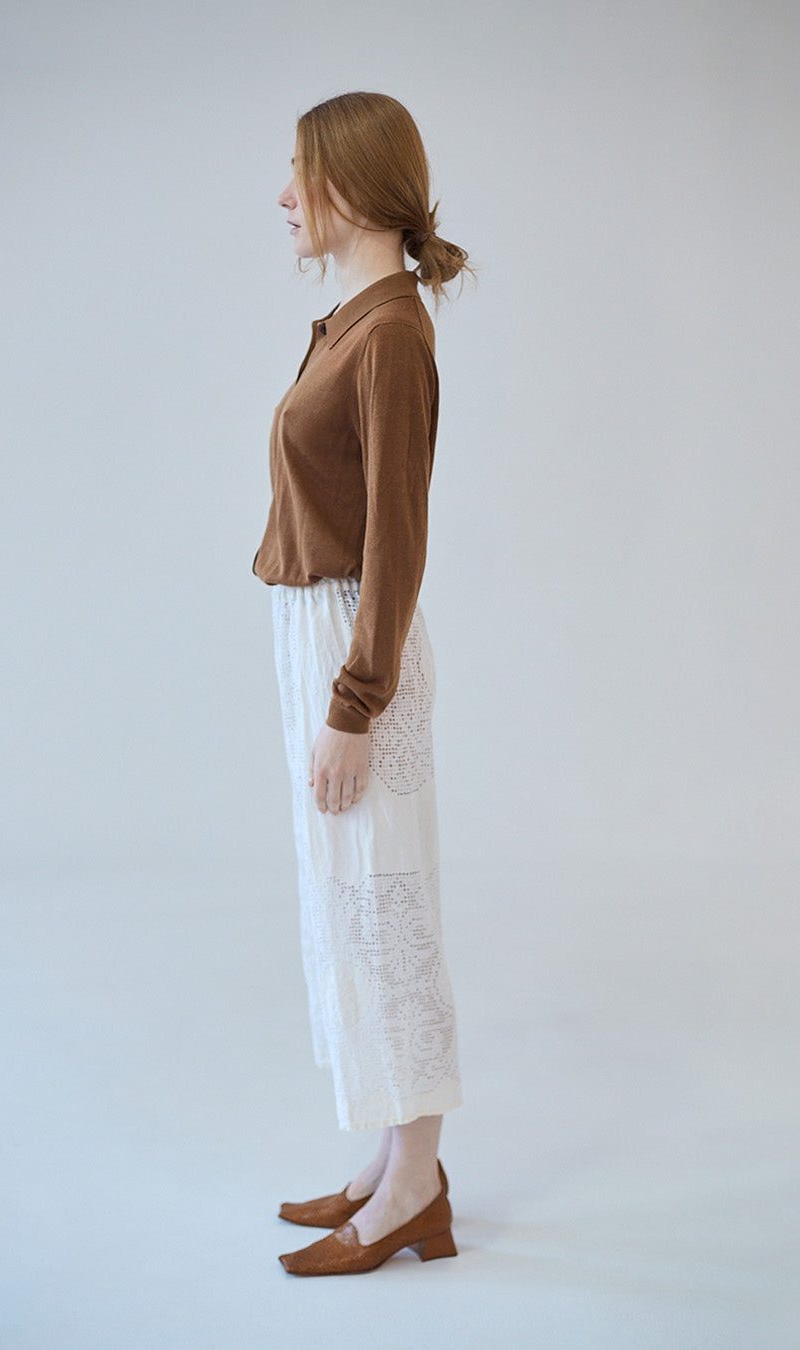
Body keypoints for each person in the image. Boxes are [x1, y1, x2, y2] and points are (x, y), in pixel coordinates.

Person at [253, 91, 472, 1276]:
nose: (284, 198)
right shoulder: (356, 319)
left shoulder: (390, 334)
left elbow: (397, 539)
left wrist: (354, 702)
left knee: (389, 910)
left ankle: (417, 1187)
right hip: (327, 640)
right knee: (353, 903)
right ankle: (393, 1162)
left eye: (301, 174)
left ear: (352, 182)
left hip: (357, 647)